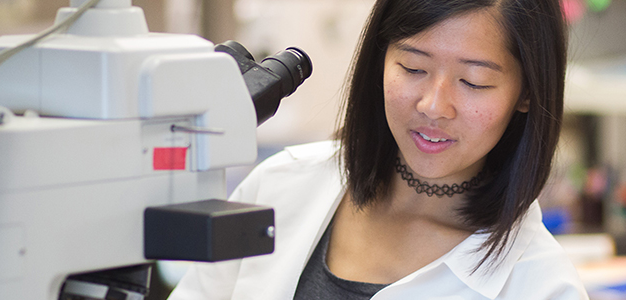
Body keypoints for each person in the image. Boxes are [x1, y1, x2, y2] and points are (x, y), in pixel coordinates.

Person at [169, 0, 588, 298]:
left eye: (473, 82)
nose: (433, 106)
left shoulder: (542, 285)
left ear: (527, 92)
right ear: (379, 60)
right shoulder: (279, 186)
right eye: (413, 68)